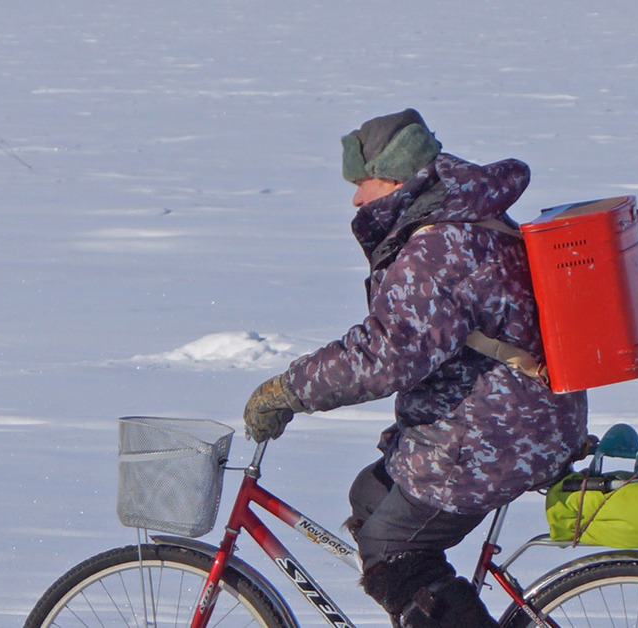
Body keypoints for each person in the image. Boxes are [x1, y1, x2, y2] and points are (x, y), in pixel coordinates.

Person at [243, 109, 588, 628]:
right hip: (517, 418)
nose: (357, 198)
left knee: (391, 552)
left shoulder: (437, 245)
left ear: (398, 175)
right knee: (370, 494)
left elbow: (387, 353)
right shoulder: (462, 217)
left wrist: (288, 389)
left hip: (493, 437)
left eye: (363, 181)